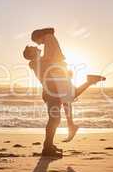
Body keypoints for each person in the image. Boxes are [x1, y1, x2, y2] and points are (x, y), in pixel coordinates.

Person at [23, 28, 105, 157]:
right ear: (31, 54)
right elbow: (49, 62)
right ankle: (47, 147)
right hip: (52, 91)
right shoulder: (34, 62)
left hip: (53, 89)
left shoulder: (40, 61)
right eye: (34, 48)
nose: (37, 47)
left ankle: (49, 145)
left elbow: (52, 65)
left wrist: (65, 70)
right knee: (55, 118)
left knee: (62, 109)